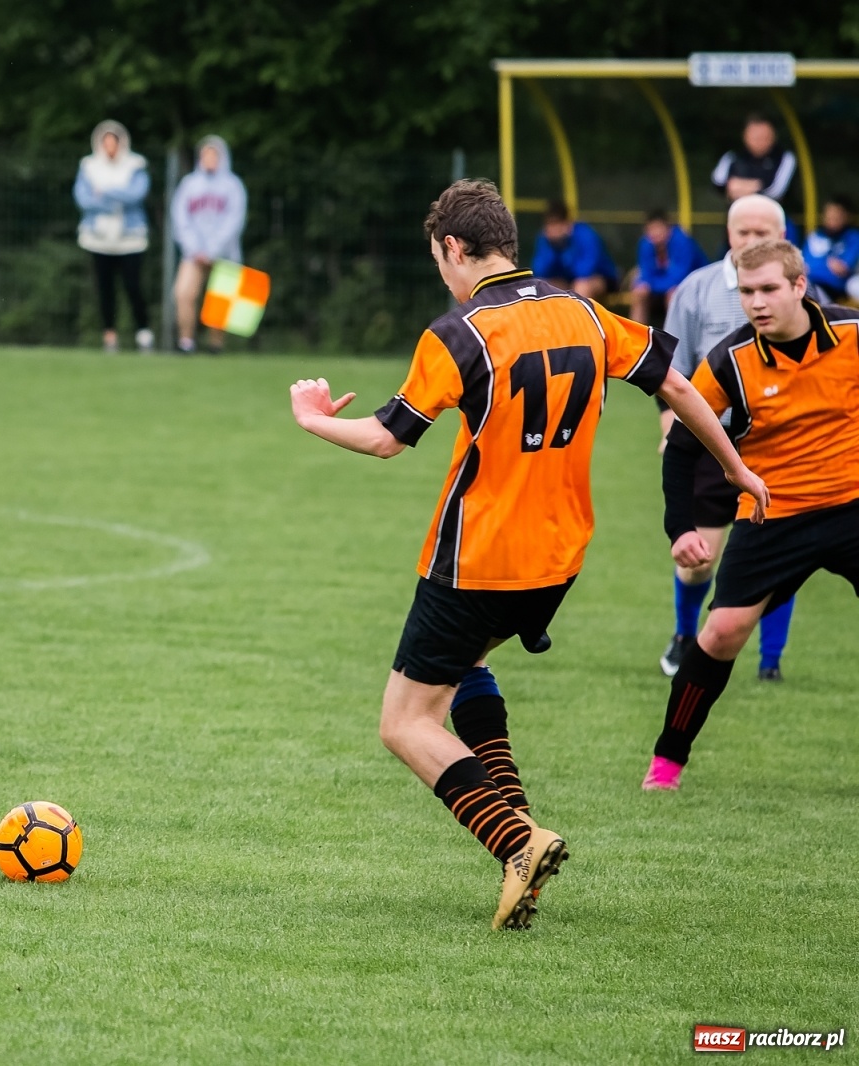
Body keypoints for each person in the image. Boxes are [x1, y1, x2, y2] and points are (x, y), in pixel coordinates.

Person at [288, 179, 766, 930]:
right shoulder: (583, 312)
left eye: (437, 258)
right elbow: (674, 383)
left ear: (453, 248)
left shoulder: (460, 333)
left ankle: (517, 839)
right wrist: (736, 468)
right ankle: (519, 834)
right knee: (470, 666)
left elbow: (386, 438)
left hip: (477, 559)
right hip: (560, 557)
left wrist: (312, 419)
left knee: (406, 723)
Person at [644, 240, 859, 791]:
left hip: (852, 507)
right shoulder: (730, 361)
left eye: (768, 289)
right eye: (746, 291)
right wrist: (681, 528)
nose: (757, 302)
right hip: (774, 515)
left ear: (799, 287)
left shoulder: (853, 334)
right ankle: (666, 765)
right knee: (719, 635)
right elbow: (683, 446)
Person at [658, 194, 796, 681]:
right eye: (745, 233)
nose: (754, 242)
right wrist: (667, 432)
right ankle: (683, 635)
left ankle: (771, 661)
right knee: (699, 560)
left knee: (783, 553)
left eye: (765, 234)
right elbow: (672, 374)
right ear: (729, 233)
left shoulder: (803, 292)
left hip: (781, 444)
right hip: (709, 442)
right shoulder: (695, 291)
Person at [73, 120, 152, 353]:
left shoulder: (135, 165)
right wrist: (114, 201)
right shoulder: (88, 166)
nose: (109, 147)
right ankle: (110, 336)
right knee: (105, 289)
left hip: (130, 238)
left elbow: (136, 194)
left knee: (133, 286)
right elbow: (83, 199)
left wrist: (105, 191)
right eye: (105, 142)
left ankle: (144, 334)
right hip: (99, 238)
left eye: (113, 143)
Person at [170, 135, 247, 353]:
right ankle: (186, 342)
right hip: (193, 253)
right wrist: (195, 249)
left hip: (224, 253)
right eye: (206, 154)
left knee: (220, 300)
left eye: (214, 154)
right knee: (183, 294)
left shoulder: (233, 186)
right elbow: (180, 218)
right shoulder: (189, 184)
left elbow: (234, 221)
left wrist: (212, 250)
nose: (210, 159)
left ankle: (215, 344)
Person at [629, 209, 709, 326]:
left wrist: (651, 284)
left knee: (673, 295)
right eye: (651, 229)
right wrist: (644, 284)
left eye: (658, 228)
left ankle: (673, 338)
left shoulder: (682, 241)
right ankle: (636, 337)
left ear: (668, 228)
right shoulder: (645, 244)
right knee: (639, 292)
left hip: (694, 286)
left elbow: (679, 278)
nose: (655, 233)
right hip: (663, 287)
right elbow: (645, 273)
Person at [531, 200, 619, 300]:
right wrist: (554, 248)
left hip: (602, 279)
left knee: (581, 286)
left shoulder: (585, 234)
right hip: (569, 281)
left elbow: (586, 271)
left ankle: (579, 316)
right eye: (549, 224)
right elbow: (540, 271)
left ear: (566, 223)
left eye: (556, 223)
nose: (552, 229)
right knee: (543, 286)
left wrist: (565, 247)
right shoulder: (545, 239)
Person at [712, 114, 796, 204]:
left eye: (765, 137)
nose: (760, 141)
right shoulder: (732, 156)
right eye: (756, 137)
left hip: (772, 215)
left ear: (773, 136)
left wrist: (740, 187)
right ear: (745, 136)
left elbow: (776, 192)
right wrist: (755, 186)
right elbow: (718, 183)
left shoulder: (785, 157)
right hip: (738, 214)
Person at [801, 195, 859, 303]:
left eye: (837, 215)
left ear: (847, 216)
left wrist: (815, 266)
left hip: (832, 289)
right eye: (829, 214)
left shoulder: (853, 237)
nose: (832, 218)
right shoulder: (815, 236)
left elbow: (842, 269)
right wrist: (826, 265)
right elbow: (804, 266)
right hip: (807, 283)